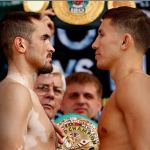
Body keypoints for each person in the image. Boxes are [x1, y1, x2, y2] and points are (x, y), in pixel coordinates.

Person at [92, 6, 150, 149]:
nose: (94, 44)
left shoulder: (133, 84)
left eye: (101, 34)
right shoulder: (129, 85)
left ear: (124, 41)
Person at [0, 11, 57, 150]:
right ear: (21, 45)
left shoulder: (22, 91)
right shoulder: (16, 91)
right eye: (44, 39)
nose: (52, 48)